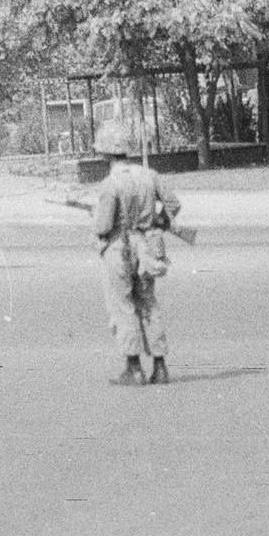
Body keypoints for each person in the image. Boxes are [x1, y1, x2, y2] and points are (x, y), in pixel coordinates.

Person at [91, 119, 182, 386]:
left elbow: (104, 226)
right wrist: (159, 221)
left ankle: (133, 368)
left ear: (106, 153)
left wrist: (96, 219)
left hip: (120, 249)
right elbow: (173, 205)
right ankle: (160, 366)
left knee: (123, 306)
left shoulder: (111, 183)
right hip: (147, 246)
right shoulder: (150, 175)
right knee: (148, 303)